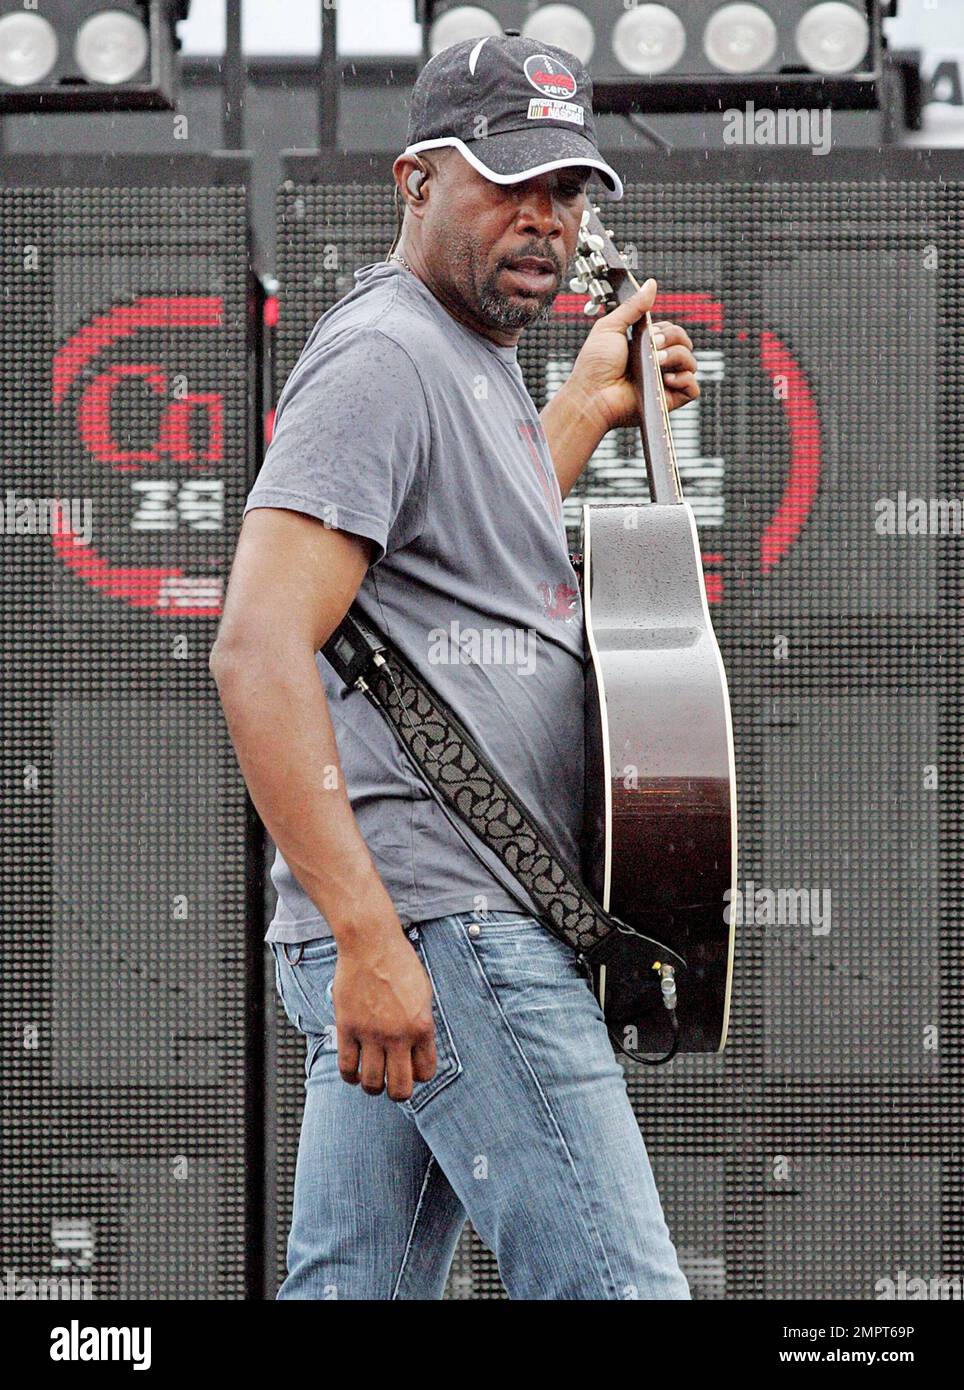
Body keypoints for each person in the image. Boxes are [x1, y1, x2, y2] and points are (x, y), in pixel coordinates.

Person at [210, 32, 700, 1300]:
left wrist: (586, 409)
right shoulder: (384, 357)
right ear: (415, 180)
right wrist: (376, 941)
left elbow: (451, 570)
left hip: (427, 923)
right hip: (450, 923)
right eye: (510, 183)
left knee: (349, 1293)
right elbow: (258, 647)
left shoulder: (463, 357)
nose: (544, 220)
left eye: (566, 191)